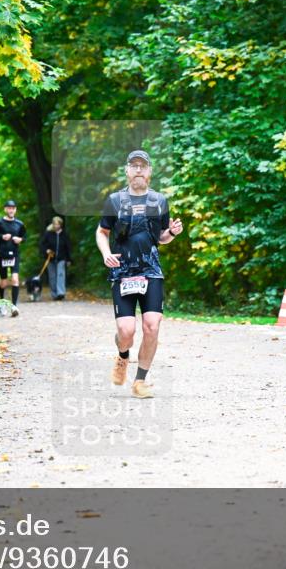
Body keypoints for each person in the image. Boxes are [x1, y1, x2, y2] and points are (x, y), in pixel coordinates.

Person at [95, 150, 183, 399]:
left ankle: (140, 381)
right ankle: (123, 356)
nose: (138, 170)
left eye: (142, 166)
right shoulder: (115, 200)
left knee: (152, 326)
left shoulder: (159, 201)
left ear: (149, 171)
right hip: (122, 272)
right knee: (126, 332)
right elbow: (102, 232)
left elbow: (161, 239)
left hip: (151, 272)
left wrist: (173, 233)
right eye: (133, 166)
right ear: (127, 170)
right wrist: (106, 254)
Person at [0, 200, 26, 317]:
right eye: (9, 208)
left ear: (15, 210)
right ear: (5, 209)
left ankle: (14, 306)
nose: (11, 210)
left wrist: (21, 240)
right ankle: (2, 304)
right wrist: (1, 236)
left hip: (15, 254)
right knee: (3, 282)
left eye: (13, 208)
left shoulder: (19, 224)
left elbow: (24, 236)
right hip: (2, 255)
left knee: (15, 279)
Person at [39, 216, 72, 300]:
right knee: (52, 277)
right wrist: (46, 250)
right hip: (50, 258)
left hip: (62, 258)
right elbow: (42, 244)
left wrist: (68, 259)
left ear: (60, 225)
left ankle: (61, 293)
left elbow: (68, 247)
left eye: (57, 224)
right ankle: (54, 294)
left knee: (61, 275)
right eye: (54, 224)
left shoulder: (64, 235)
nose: (56, 226)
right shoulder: (48, 234)